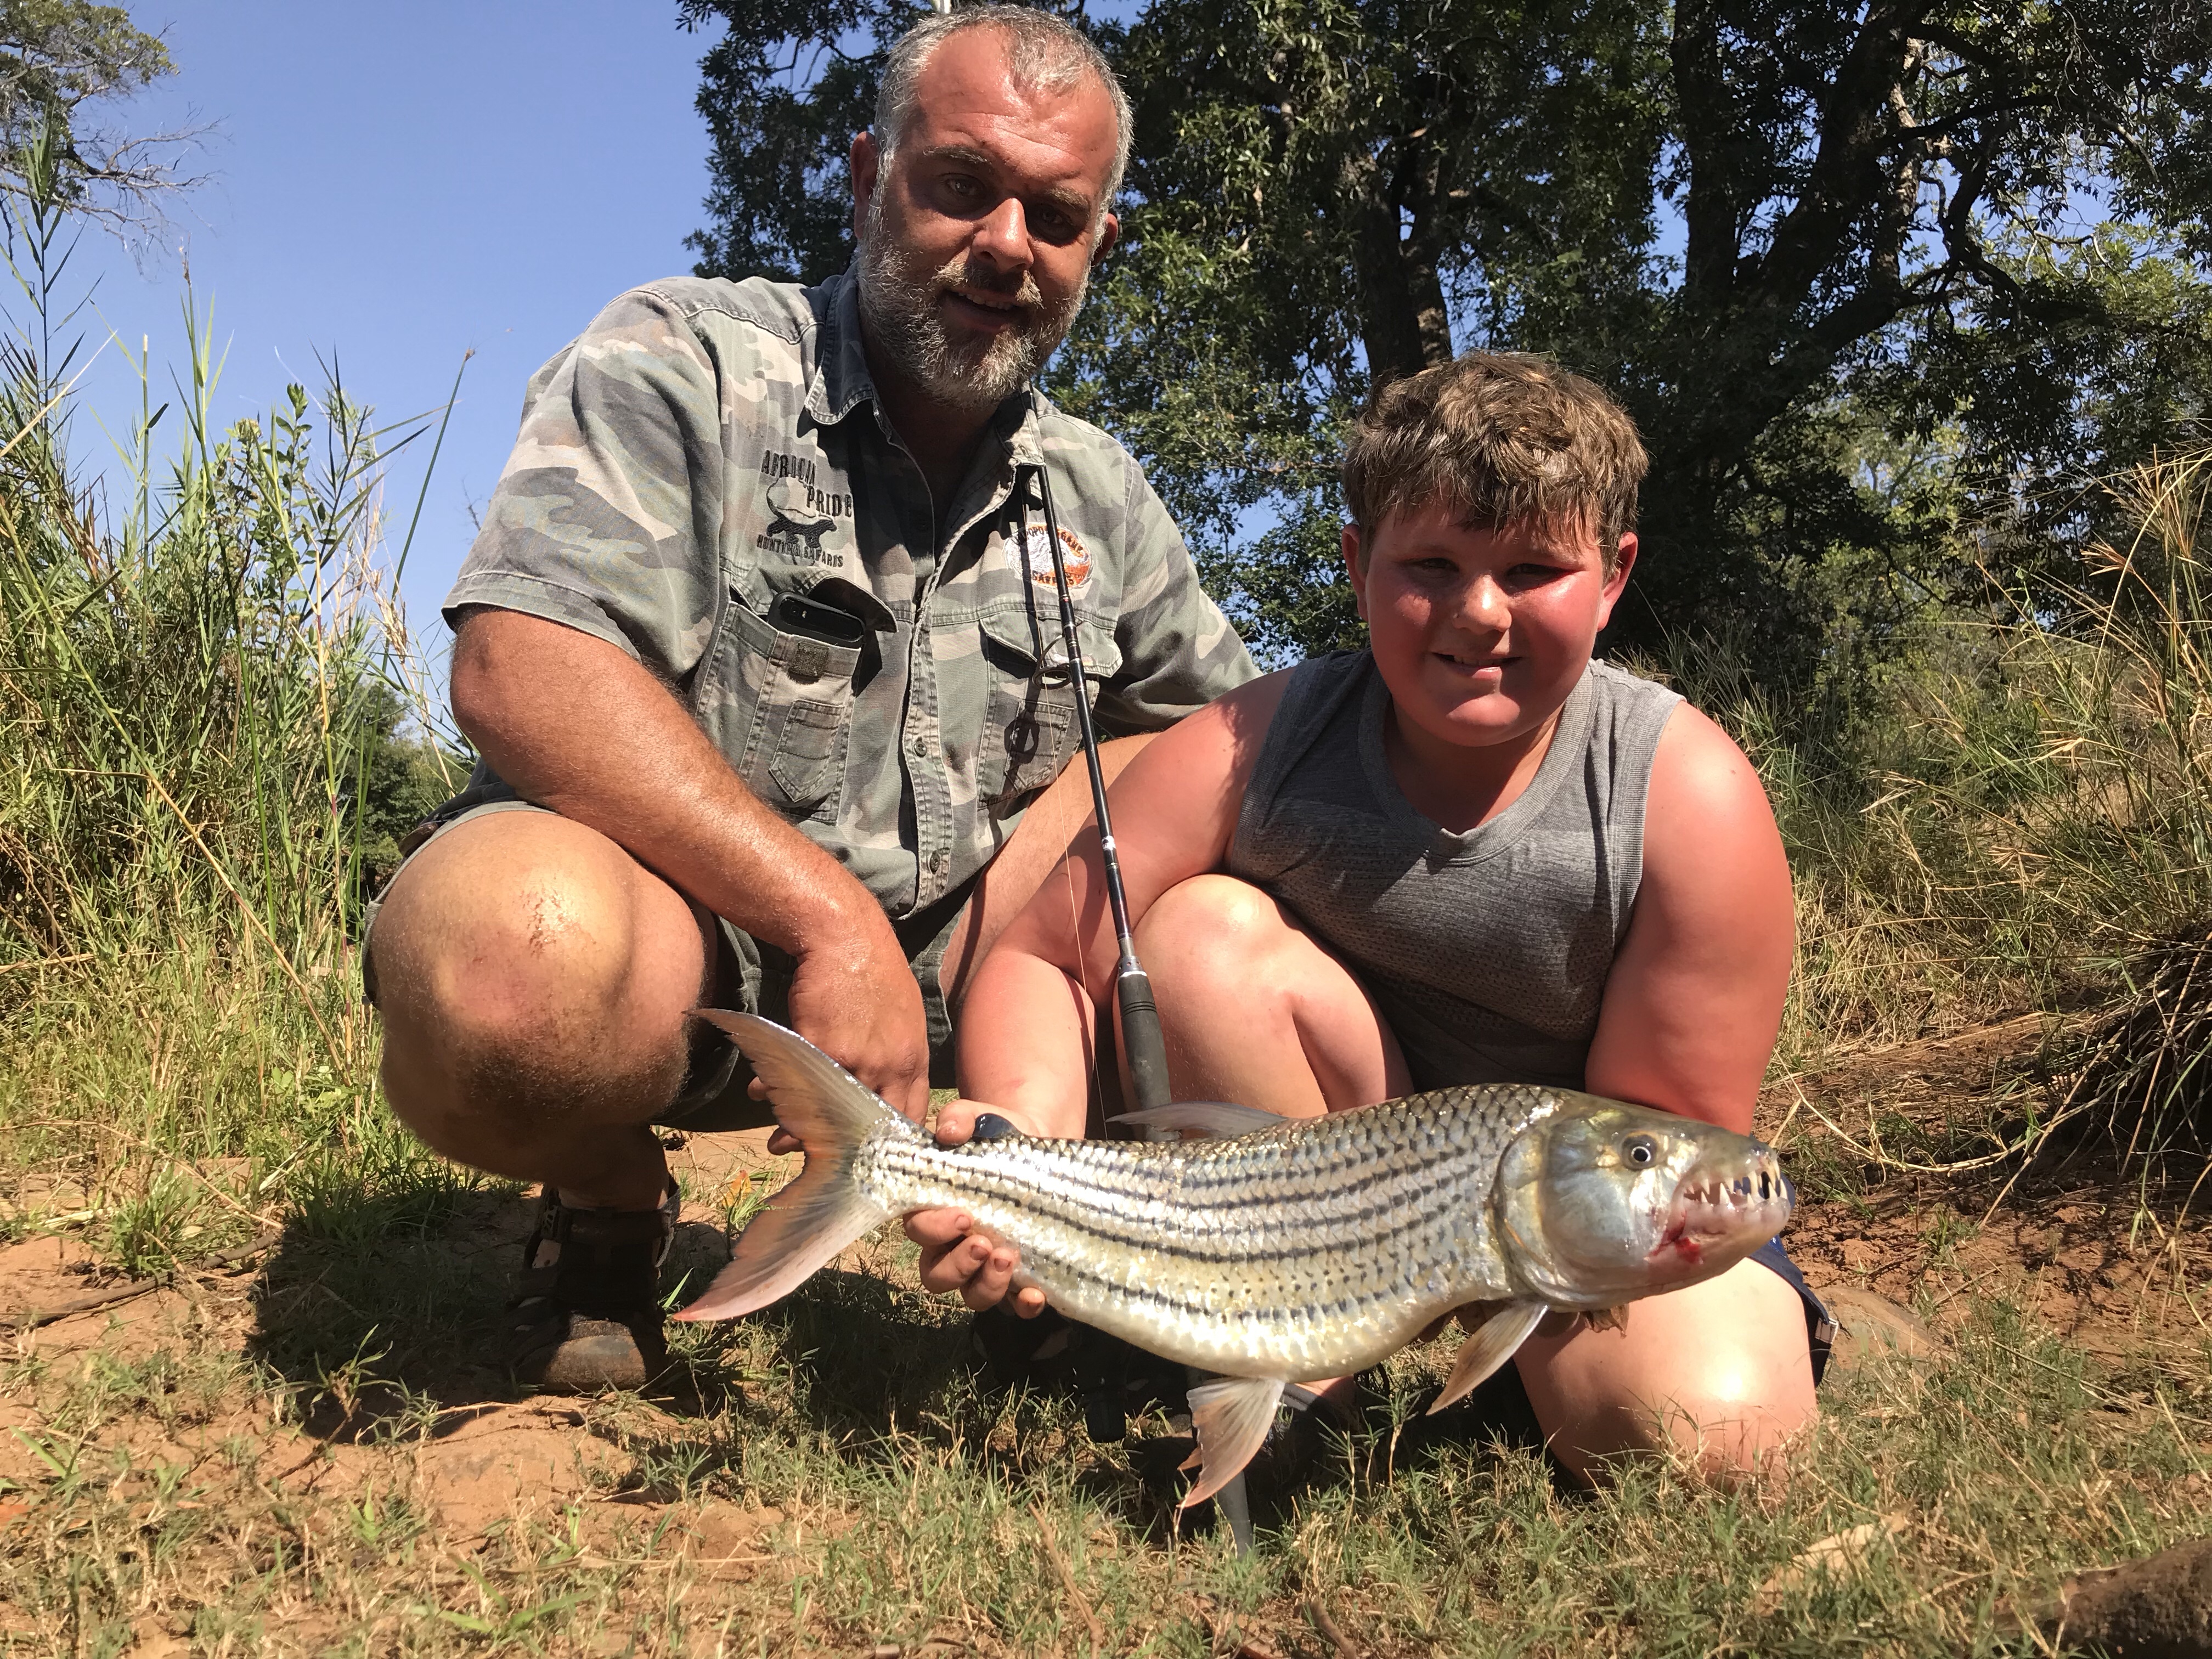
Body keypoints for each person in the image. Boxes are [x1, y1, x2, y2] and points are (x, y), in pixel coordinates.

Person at [363, 5, 1255, 1392]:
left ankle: (1050, 1225)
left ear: (1099, 249)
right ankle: (611, 1204)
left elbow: (1244, 743)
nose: (1007, 244)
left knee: (1210, 822)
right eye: (961, 184)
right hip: (704, 970)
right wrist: (826, 921)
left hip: (969, 997)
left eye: (1057, 215)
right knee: (502, 967)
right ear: (864, 175)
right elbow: (518, 661)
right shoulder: (684, 360)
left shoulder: (1103, 498)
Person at [917, 352, 1827, 1482]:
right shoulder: (1258, 740)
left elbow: (1664, 1134)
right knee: (1200, 935)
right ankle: (1303, 1374)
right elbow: (1050, 956)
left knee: (1712, 1444)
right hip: (1320, 1188)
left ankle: (1488, 1368)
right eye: (1432, 565)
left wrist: (1472, 1261)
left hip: (1556, 1217)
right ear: (1357, 565)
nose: (1479, 613)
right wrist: (1018, 1148)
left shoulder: (1686, 799)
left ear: (1614, 576)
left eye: (1536, 568)